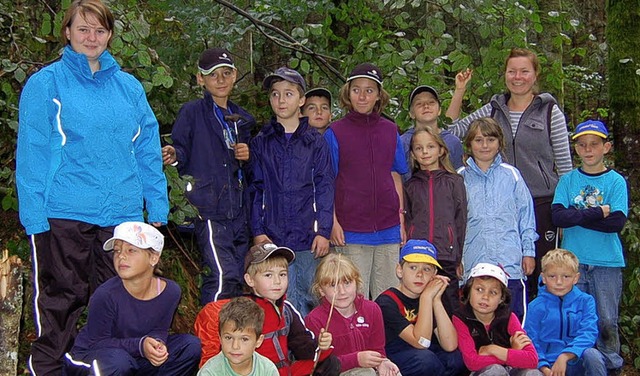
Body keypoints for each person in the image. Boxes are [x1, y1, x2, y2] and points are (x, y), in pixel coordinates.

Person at [15, 1, 169, 373]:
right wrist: (33, 216)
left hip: (122, 219)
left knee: (117, 302)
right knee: (62, 299)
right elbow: (32, 153)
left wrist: (157, 206)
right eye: (83, 29)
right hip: (64, 213)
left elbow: (147, 148)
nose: (91, 37)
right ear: (67, 32)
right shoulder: (46, 83)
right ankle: (49, 368)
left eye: (100, 30)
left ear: (110, 36)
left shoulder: (129, 87)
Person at [447, 48, 572, 301]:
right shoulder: (493, 110)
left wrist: (564, 212)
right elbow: (452, 129)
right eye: (512, 71)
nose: (518, 77)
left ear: (535, 75)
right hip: (495, 205)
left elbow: (565, 165)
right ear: (504, 74)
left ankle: (531, 335)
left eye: (524, 71)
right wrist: (460, 90)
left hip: (541, 204)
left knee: (539, 274)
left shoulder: (549, 112)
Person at [162, 47, 255, 304]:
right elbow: (180, 147)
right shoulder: (192, 113)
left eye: (226, 73)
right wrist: (173, 153)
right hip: (209, 209)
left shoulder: (242, 120)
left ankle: (232, 339)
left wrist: (249, 155)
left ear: (235, 75)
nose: (221, 80)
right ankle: (209, 337)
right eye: (213, 75)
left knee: (238, 274)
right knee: (221, 275)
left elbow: (251, 169)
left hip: (238, 211)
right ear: (200, 79)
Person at [63, 222, 201, 375]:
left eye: (131, 250)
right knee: (118, 361)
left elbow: (159, 330)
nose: (121, 256)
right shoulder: (106, 294)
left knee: (190, 345)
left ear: (153, 258)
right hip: (91, 360)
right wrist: (141, 346)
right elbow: (97, 343)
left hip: (133, 357)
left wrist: (157, 344)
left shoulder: (171, 292)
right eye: (117, 251)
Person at [250, 67, 334, 317]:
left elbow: (325, 187)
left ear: (301, 100)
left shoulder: (315, 142)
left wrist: (324, 231)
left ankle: (312, 352)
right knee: (277, 299)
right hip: (272, 237)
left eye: (288, 94)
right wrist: (258, 231)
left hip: (308, 235)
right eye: (275, 94)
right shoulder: (261, 141)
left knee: (310, 296)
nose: (281, 100)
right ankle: (281, 353)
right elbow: (256, 189)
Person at [325, 62, 408, 300]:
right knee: (352, 299)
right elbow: (326, 180)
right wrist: (332, 222)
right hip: (350, 230)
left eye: (369, 90)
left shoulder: (390, 130)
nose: (362, 96)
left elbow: (395, 174)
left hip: (388, 229)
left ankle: (388, 339)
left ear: (379, 96)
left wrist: (400, 219)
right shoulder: (336, 132)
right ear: (348, 93)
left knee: (389, 300)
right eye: (357, 89)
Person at [551, 120, 627, 373]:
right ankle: (579, 367)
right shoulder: (568, 180)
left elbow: (616, 222)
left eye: (594, 144)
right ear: (576, 149)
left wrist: (578, 215)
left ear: (606, 147)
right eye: (582, 145)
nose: (588, 150)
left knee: (606, 321)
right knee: (574, 319)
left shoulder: (615, 181)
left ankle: (610, 368)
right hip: (573, 264)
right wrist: (597, 212)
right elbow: (558, 217)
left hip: (607, 263)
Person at [194, 242, 341, 375]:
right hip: (255, 371)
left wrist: (321, 345)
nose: (277, 281)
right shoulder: (242, 310)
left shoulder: (286, 309)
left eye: (282, 274)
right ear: (250, 280)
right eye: (268, 275)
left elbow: (303, 347)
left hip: (284, 371)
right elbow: (233, 352)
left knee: (330, 363)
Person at [458, 118, 538, 321]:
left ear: (499, 143)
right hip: (473, 261)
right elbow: (453, 223)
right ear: (469, 144)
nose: (484, 145)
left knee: (512, 320)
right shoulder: (459, 178)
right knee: (473, 322)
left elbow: (526, 216)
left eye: (490, 139)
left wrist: (528, 252)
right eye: (478, 140)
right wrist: (455, 259)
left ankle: (514, 354)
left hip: (509, 261)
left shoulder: (512, 175)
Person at [375, 239, 466, 376]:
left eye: (427, 269)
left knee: (455, 358)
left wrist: (436, 300)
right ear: (400, 270)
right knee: (426, 360)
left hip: (423, 352)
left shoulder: (430, 296)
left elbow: (450, 344)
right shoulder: (386, 302)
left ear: (434, 274)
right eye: (413, 267)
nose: (420, 274)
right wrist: (426, 298)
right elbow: (421, 342)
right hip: (396, 355)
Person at [403, 127, 467, 315]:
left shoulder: (454, 182)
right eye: (419, 148)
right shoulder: (410, 185)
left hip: (445, 255)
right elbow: (407, 220)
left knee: (449, 306)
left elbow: (460, 220)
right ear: (413, 154)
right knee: (420, 306)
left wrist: (458, 256)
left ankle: (452, 344)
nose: (424, 152)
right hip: (418, 256)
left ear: (441, 150)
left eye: (430, 146)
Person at [305, 253, 401, 376]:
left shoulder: (372, 309)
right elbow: (318, 365)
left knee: (393, 372)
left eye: (347, 282)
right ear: (321, 291)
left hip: (369, 368)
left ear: (357, 282)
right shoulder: (314, 320)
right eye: (333, 285)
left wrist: (382, 362)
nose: (342, 291)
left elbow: (377, 349)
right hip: (336, 372)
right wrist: (356, 360)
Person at [524, 249, 606, 376]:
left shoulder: (586, 301)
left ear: (576, 278)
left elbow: (589, 332)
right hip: (546, 366)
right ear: (543, 278)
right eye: (552, 276)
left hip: (575, 360)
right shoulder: (535, 307)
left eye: (566, 276)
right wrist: (545, 368)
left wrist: (566, 355)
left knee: (593, 355)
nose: (559, 282)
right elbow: (531, 341)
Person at [453, 263, 541, 375]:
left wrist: (493, 350)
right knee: (495, 370)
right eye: (479, 289)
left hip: (512, 369)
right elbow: (472, 362)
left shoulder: (509, 317)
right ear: (469, 291)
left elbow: (532, 360)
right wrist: (512, 353)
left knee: (532, 373)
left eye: (493, 292)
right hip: (481, 372)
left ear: (501, 298)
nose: (485, 297)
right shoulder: (461, 318)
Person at [197, 297, 278, 376]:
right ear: (220, 338)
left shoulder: (268, 369)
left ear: (258, 341)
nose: (235, 346)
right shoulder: (209, 372)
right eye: (228, 338)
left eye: (244, 339)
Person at [401, 84, 465, 181]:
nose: (426, 106)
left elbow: (460, 178)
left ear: (439, 110)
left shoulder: (452, 142)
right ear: (411, 113)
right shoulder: (402, 143)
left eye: (431, 102)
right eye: (419, 104)